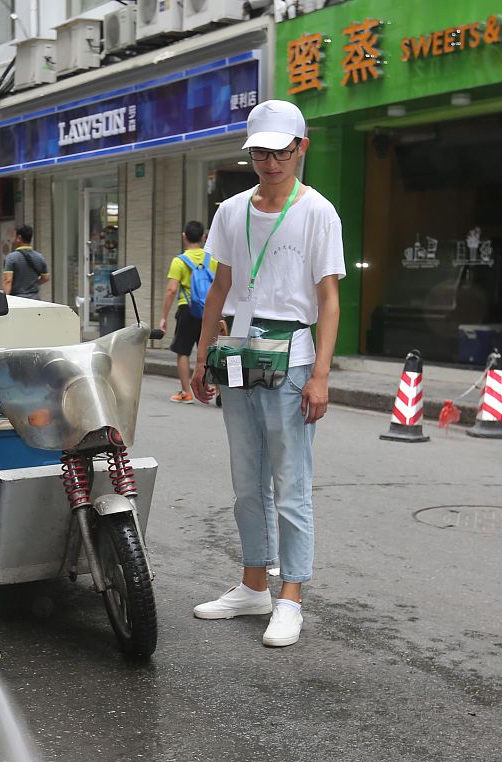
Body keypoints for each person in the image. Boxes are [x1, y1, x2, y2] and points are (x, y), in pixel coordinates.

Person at [189, 99, 344, 648]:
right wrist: (202, 355)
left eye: (280, 151)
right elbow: (220, 289)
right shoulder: (231, 210)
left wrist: (321, 374)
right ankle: (254, 584)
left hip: (293, 354)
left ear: (301, 148)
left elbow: (328, 299)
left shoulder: (318, 211)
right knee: (245, 480)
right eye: (260, 151)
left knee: (291, 483)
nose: (270, 162)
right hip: (238, 353)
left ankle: (291, 596)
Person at [158, 221, 213, 403]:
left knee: (183, 351)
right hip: (209, 310)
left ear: (184, 236)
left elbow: (171, 290)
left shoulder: (179, 261)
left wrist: (164, 317)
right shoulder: (212, 259)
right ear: (203, 238)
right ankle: (218, 391)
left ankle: (186, 392)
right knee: (212, 353)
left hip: (188, 309)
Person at [2, 224, 48, 299]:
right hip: (35, 300)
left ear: (19, 238)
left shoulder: (11, 258)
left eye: (14, 236)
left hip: (18, 300)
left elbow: (8, 281)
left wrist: (4, 300)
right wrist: (34, 284)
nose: (12, 239)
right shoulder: (40, 257)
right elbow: (46, 278)